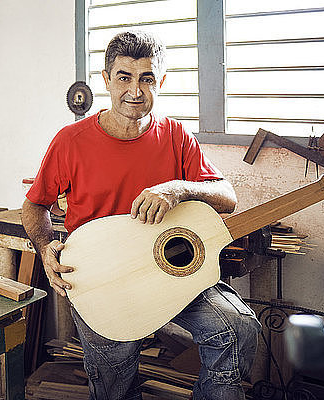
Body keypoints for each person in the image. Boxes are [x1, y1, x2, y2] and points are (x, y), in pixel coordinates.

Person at [22, 31, 261, 400]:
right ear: (106, 80)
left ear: (160, 82)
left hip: (169, 271)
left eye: (146, 78)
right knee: (117, 384)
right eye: (124, 77)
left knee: (238, 327)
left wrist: (178, 187)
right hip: (99, 281)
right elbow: (35, 204)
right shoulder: (70, 141)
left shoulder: (176, 135)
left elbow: (227, 197)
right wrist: (45, 245)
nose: (135, 91)